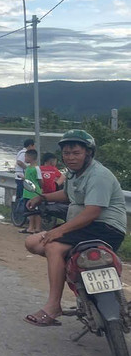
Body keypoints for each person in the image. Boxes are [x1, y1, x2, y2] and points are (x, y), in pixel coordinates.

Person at [23, 130, 127, 326]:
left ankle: (53, 306)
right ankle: (73, 269)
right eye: (67, 153)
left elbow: (92, 212)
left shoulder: (99, 175)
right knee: (32, 242)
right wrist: (42, 197)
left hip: (105, 228)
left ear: (88, 153)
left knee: (53, 247)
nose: (70, 157)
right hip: (85, 227)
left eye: (76, 153)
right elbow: (68, 195)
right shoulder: (74, 174)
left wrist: (59, 231)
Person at [22, 149, 43, 234]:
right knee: (30, 211)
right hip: (27, 192)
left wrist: (39, 189)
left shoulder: (36, 168)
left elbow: (40, 181)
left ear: (30, 157)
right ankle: (31, 227)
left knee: (36, 211)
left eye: (26, 157)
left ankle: (36, 228)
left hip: (34, 192)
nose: (25, 158)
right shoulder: (27, 168)